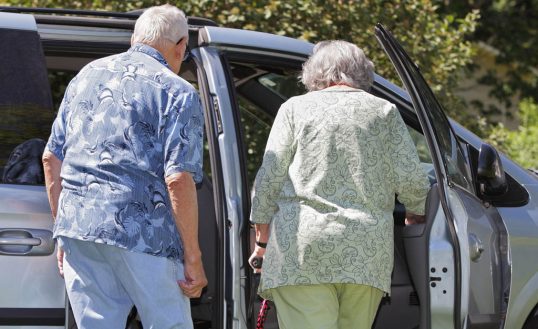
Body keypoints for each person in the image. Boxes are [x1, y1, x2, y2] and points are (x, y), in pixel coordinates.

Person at [42, 5, 207, 328]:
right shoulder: (177, 91)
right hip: (144, 234)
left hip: (80, 228)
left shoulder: (86, 75)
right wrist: (193, 257)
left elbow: (51, 158)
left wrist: (62, 230)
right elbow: (177, 179)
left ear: (135, 38)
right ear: (180, 45)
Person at [248, 40, 430, 329]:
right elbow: (412, 179)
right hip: (365, 253)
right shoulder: (384, 111)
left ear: (313, 73)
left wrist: (262, 240)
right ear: (362, 73)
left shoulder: (294, 109)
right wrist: (415, 214)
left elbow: (269, 177)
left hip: (302, 249)